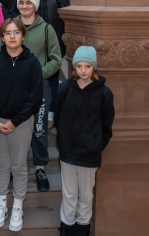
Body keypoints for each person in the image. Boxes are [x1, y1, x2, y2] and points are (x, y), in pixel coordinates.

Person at [0, 0, 62, 192]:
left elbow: (56, 60)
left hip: (39, 89)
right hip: (14, 91)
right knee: (13, 128)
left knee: (39, 130)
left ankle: (40, 167)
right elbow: (0, 55)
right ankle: (12, 167)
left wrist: (36, 75)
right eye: (21, 3)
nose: (24, 6)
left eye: (29, 3)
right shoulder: (10, 26)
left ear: (35, 5)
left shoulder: (46, 29)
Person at [0, 18, 44, 232]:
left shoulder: (32, 63)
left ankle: (17, 206)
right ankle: (2, 205)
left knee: (18, 166)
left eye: (16, 32)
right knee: (1, 166)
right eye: (7, 33)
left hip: (21, 122)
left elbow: (35, 97)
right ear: (1, 37)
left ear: (23, 36)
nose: (12, 36)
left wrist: (15, 121)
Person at [54, 46, 115, 236]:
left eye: (87, 66)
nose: (82, 70)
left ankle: (82, 229)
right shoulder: (64, 89)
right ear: (74, 67)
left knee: (86, 195)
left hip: (89, 154)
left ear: (93, 67)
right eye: (79, 66)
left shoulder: (104, 93)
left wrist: (96, 145)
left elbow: (106, 125)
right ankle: (67, 229)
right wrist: (64, 141)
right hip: (68, 153)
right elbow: (58, 118)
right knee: (69, 193)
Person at [33, 0, 71, 117]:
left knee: (53, 78)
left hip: (55, 42)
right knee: (35, 76)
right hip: (35, 42)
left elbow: (65, 19)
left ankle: (51, 111)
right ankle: (35, 109)